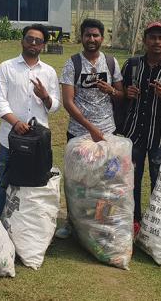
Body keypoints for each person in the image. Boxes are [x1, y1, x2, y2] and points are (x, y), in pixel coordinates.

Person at [57, 18, 124, 238]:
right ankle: (72, 223)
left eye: (96, 35)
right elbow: (68, 102)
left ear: (102, 38)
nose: (92, 39)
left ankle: (101, 222)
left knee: (105, 180)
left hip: (107, 132)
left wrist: (111, 91)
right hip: (79, 133)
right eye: (88, 35)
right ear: (82, 37)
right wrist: (90, 128)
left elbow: (121, 94)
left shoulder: (112, 62)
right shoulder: (72, 63)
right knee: (78, 180)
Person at [120, 22, 161, 236]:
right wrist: (127, 93)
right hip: (134, 133)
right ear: (144, 40)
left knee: (159, 182)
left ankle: (157, 224)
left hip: (159, 136)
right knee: (132, 180)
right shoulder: (132, 65)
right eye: (152, 37)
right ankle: (134, 220)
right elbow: (120, 95)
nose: (156, 42)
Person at [0, 24, 61, 216]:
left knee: (35, 185)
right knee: (2, 182)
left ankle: (25, 226)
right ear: (22, 41)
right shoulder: (6, 67)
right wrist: (16, 123)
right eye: (29, 39)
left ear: (43, 45)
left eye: (38, 41)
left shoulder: (49, 72)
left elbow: (54, 106)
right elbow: (0, 102)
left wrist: (45, 96)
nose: (33, 43)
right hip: (9, 138)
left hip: (38, 141)